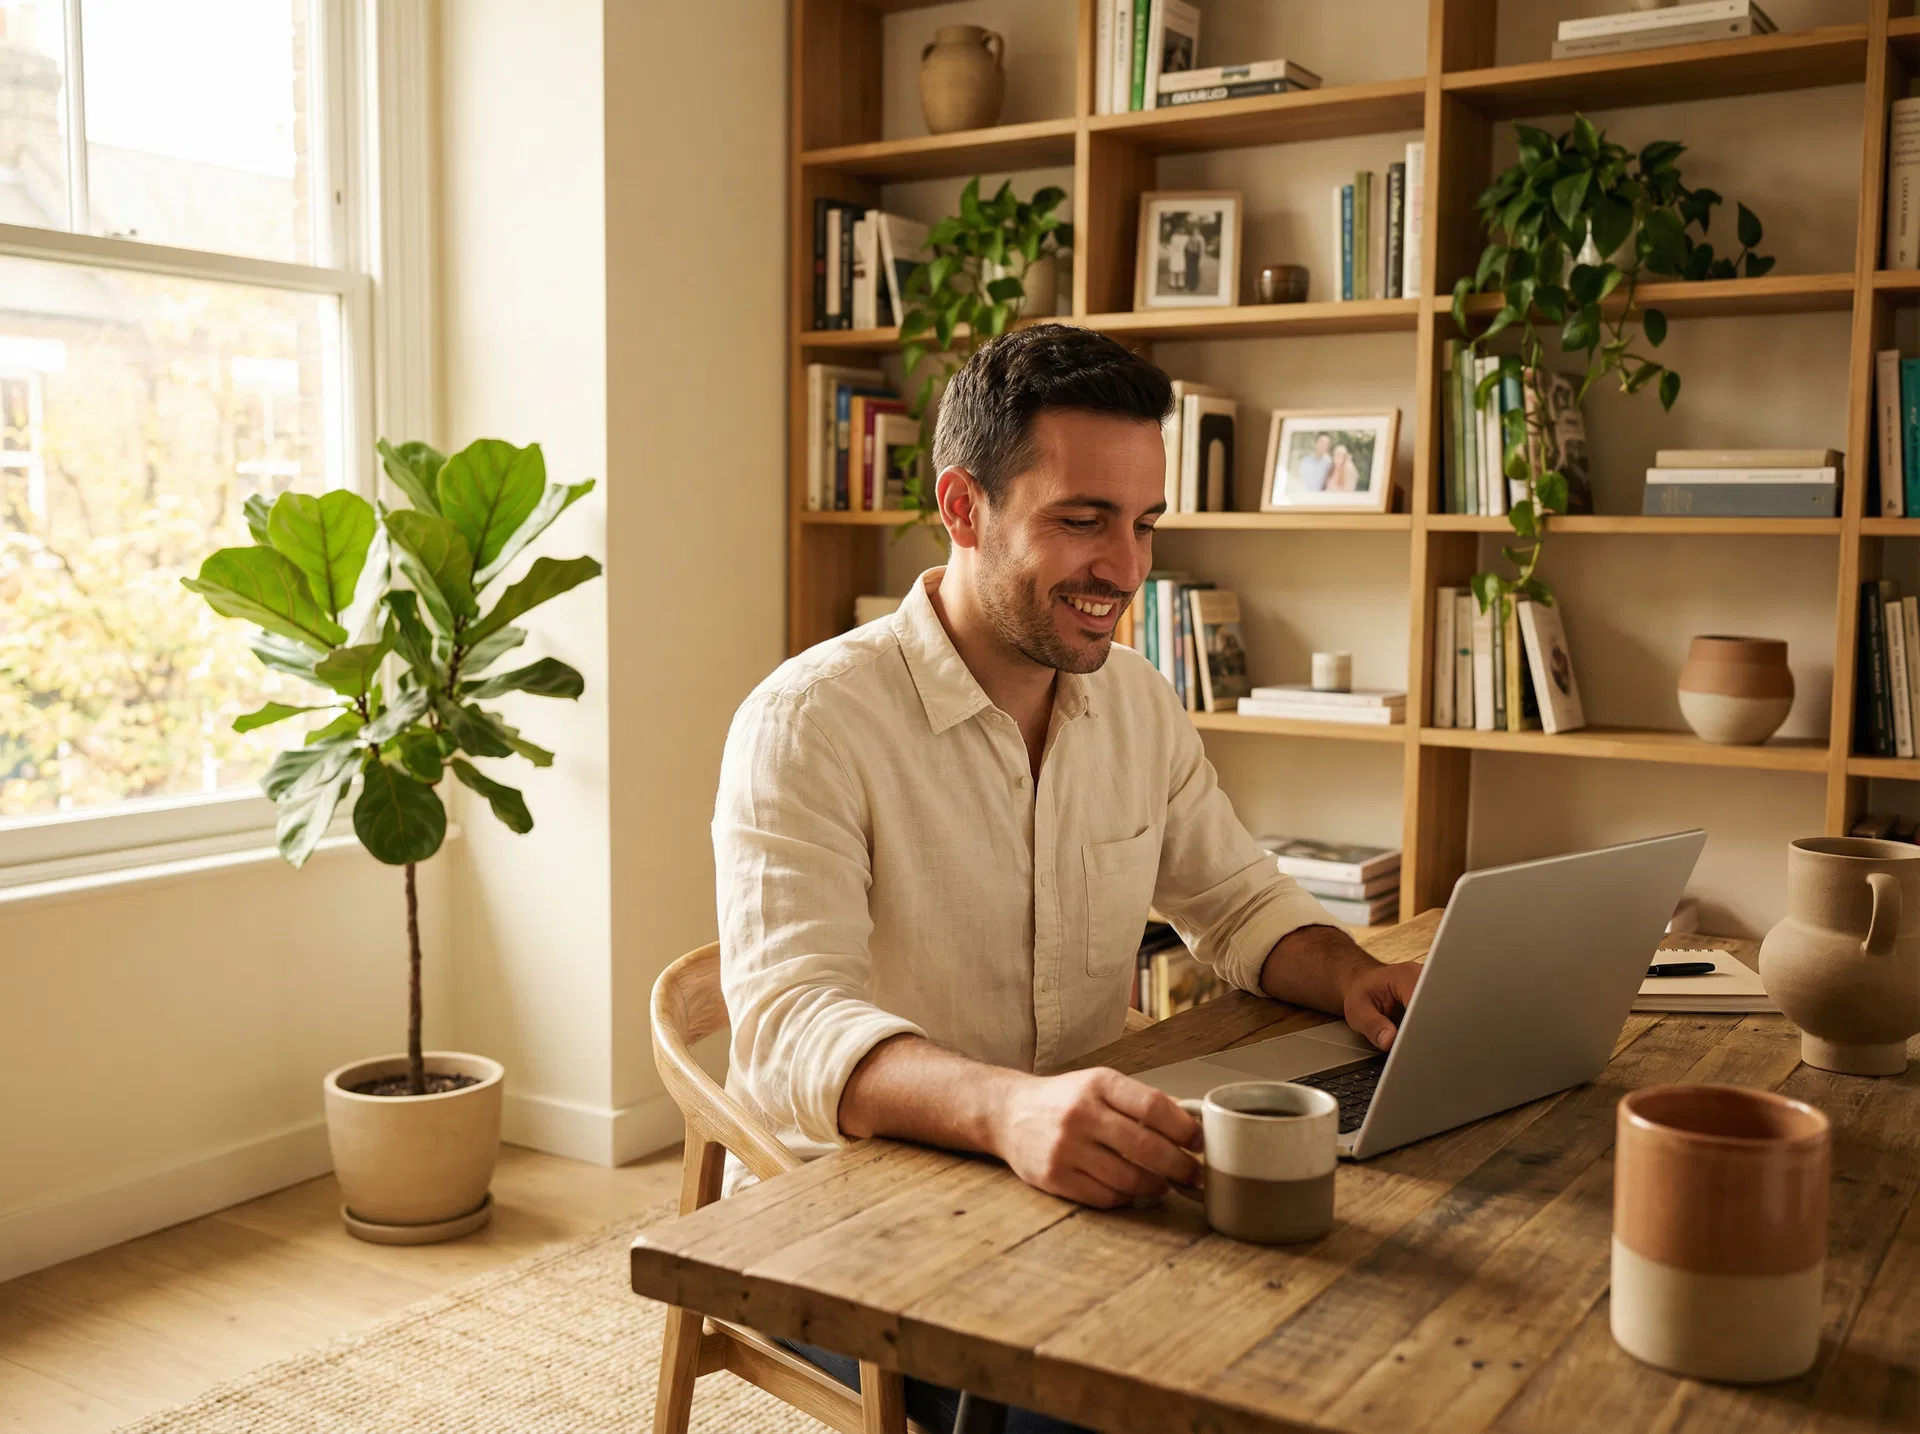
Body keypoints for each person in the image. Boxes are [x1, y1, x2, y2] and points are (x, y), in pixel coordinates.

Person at [712, 324, 1421, 1434]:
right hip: (855, 1218)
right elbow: (790, 1028)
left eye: (1144, 524)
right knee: (1127, 1403)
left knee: (1352, 1332)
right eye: (1083, 520)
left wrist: (1352, 977)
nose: (1128, 570)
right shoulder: (810, 723)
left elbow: (1235, 900)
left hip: (1091, 1173)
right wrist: (1010, 1110)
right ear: (962, 509)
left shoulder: (1136, 700)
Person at [1165, 223, 1190, 292]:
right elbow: (1171, 245)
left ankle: (1180, 284)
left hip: (1181, 255)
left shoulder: (1185, 238)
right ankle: (1172, 284)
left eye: (1183, 230)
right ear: (1178, 230)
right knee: (1173, 270)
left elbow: (1188, 246)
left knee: (1180, 271)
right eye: (1181, 230)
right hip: (1175, 255)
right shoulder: (1175, 237)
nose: (1182, 231)